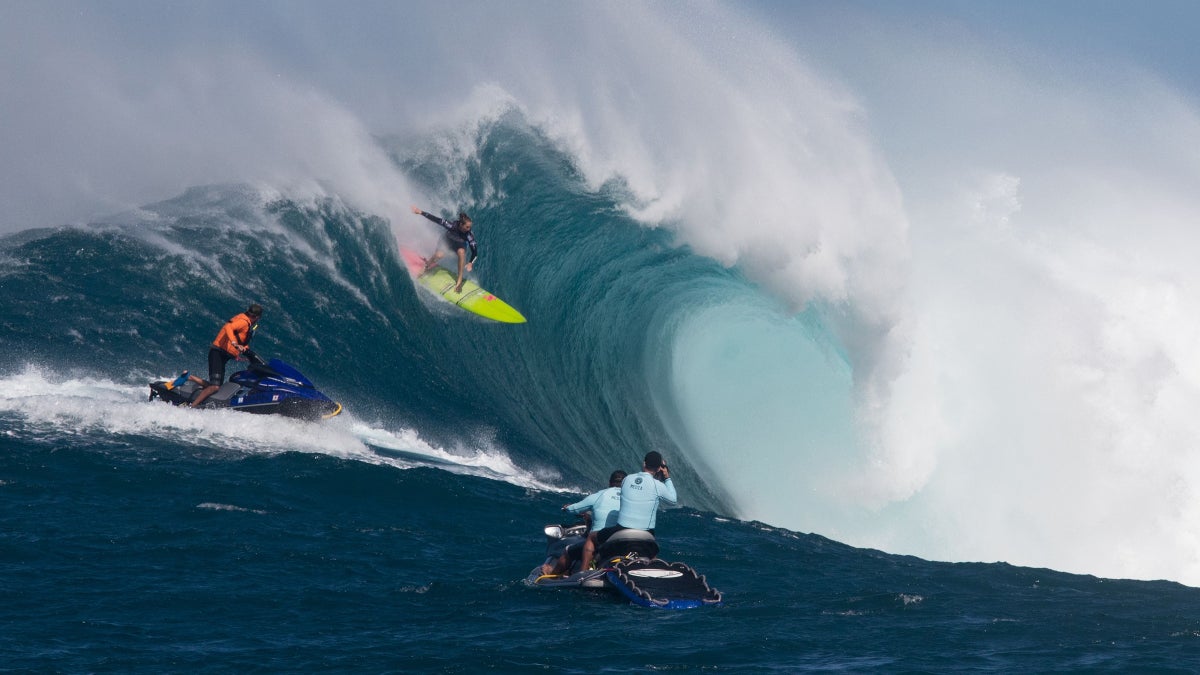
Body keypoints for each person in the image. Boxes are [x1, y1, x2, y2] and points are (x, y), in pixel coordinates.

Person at [579, 451, 677, 571]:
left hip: (621, 530)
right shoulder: (658, 486)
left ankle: (582, 572)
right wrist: (666, 477)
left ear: (644, 463)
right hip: (647, 535)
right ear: (658, 468)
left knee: (591, 538)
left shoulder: (627, 480)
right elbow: (673, 500)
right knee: (652, 552)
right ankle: (652, 572)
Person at [540, 470, 627, 577]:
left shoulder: (600, 495)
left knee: (569, 551)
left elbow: (575, 509)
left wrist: (567, 508)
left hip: (601, 540)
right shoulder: (630, 499)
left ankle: (567, 573)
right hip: (623, 541)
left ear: (609, 483)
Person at [190, 303, 263, 408]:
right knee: (215, 387)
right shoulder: (243, 322)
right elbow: (228, 327)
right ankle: (192, 406)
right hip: (218, 352)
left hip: (223, 354)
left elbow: (242, 339)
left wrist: (246, 350)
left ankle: (190, 377)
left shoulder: (247, 323)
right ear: (257, 317)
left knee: (217, 386)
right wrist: (234, 343)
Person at [411, 205, 477, 293]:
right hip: (446, 243)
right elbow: (436, 219)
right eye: (467, 227)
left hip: (458, 247)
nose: (469, 229)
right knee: (439, 255)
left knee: (462, 253)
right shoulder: (452, 225)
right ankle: (426, 267)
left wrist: (470, 263)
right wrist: (421, 212)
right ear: (461, 225)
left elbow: (475, 251)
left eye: (470, 227)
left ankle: (459, 280)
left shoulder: (469, 235)